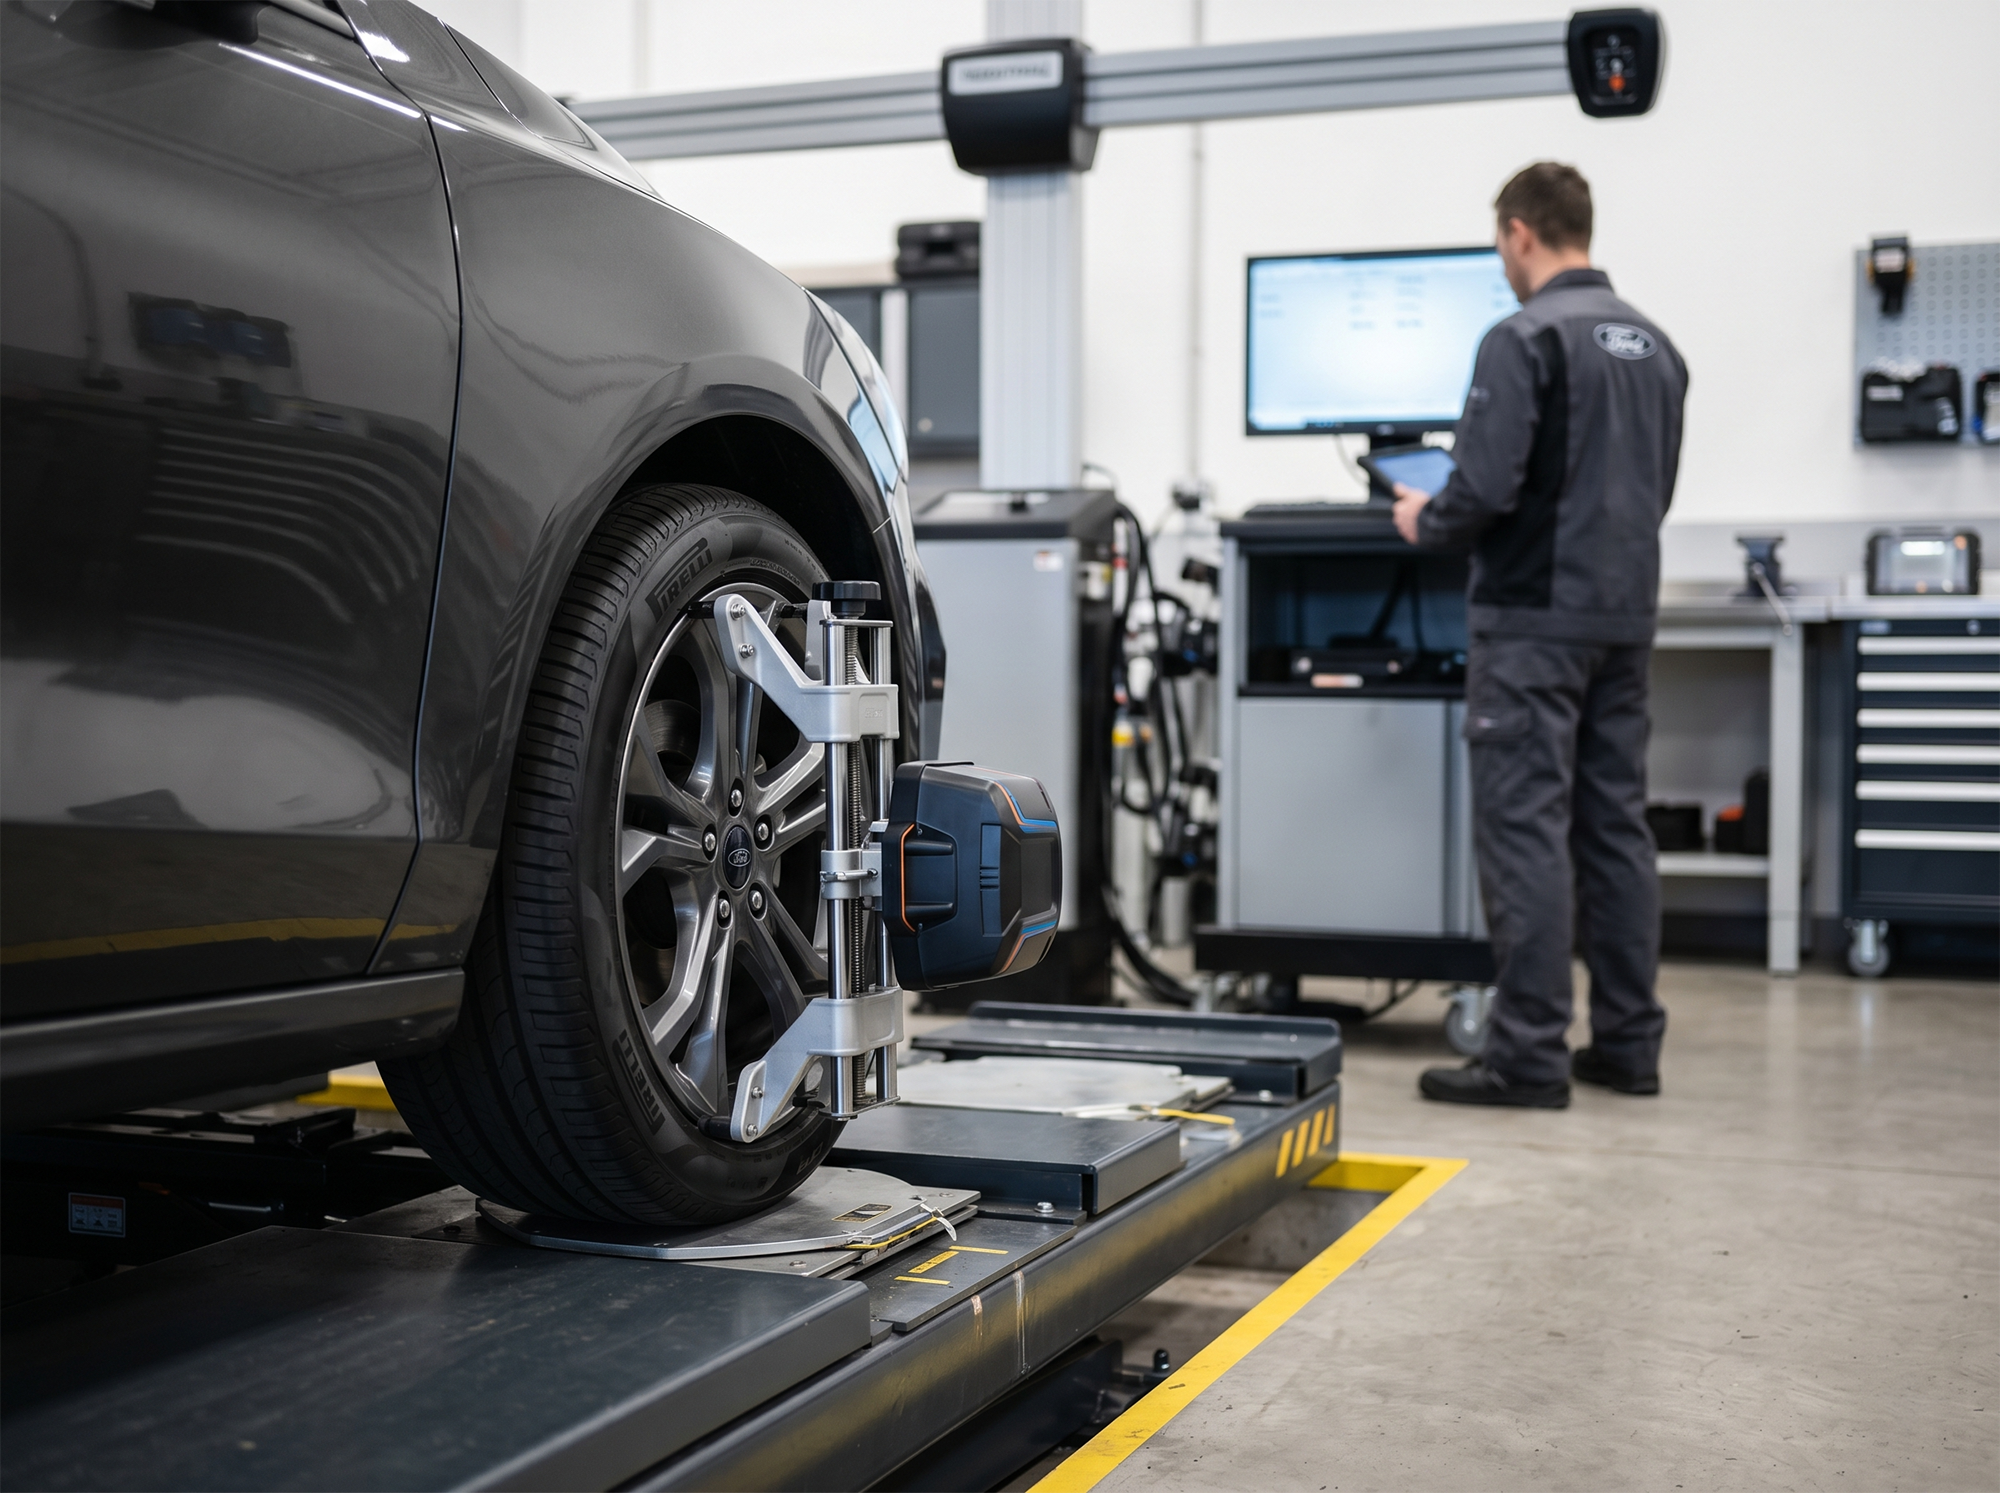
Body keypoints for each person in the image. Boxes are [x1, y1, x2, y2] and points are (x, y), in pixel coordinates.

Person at [1391, 161, 1688, 1108]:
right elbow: (1656, 489)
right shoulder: (1657, 345)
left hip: (1530, 624)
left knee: (1525, 832)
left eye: (1500, 244)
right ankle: (1631, 1046)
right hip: (1623, 615)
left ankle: (1527, 1057)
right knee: (1615, 829)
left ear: (1521, 232)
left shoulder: (1522, 338)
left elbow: (1478, 490)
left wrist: (1420, 520)